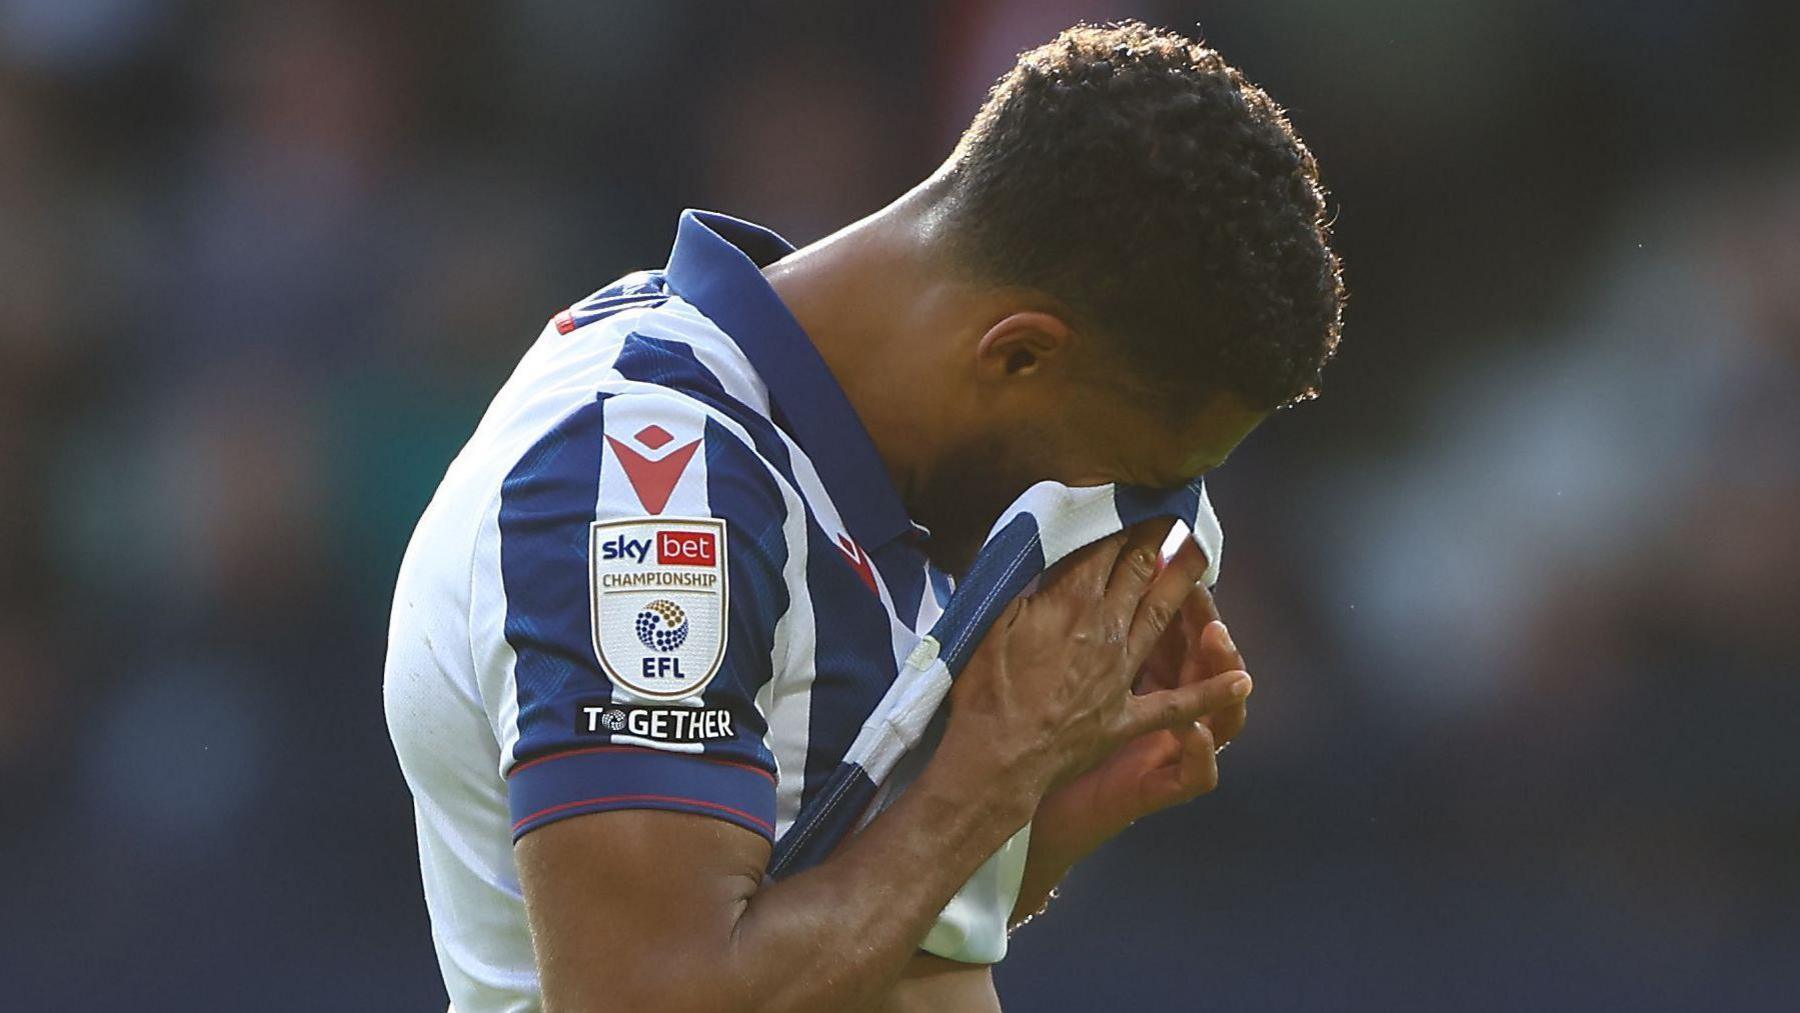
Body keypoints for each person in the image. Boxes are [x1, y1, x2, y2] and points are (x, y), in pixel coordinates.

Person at [384, 20, 1342, 1012]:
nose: (1124, 524)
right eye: (1134, 478)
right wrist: (990, 779)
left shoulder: (860, 469)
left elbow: (847, 938)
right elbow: (648, 993)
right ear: (1017, 355)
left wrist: (1049, 810)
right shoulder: (650, 481)